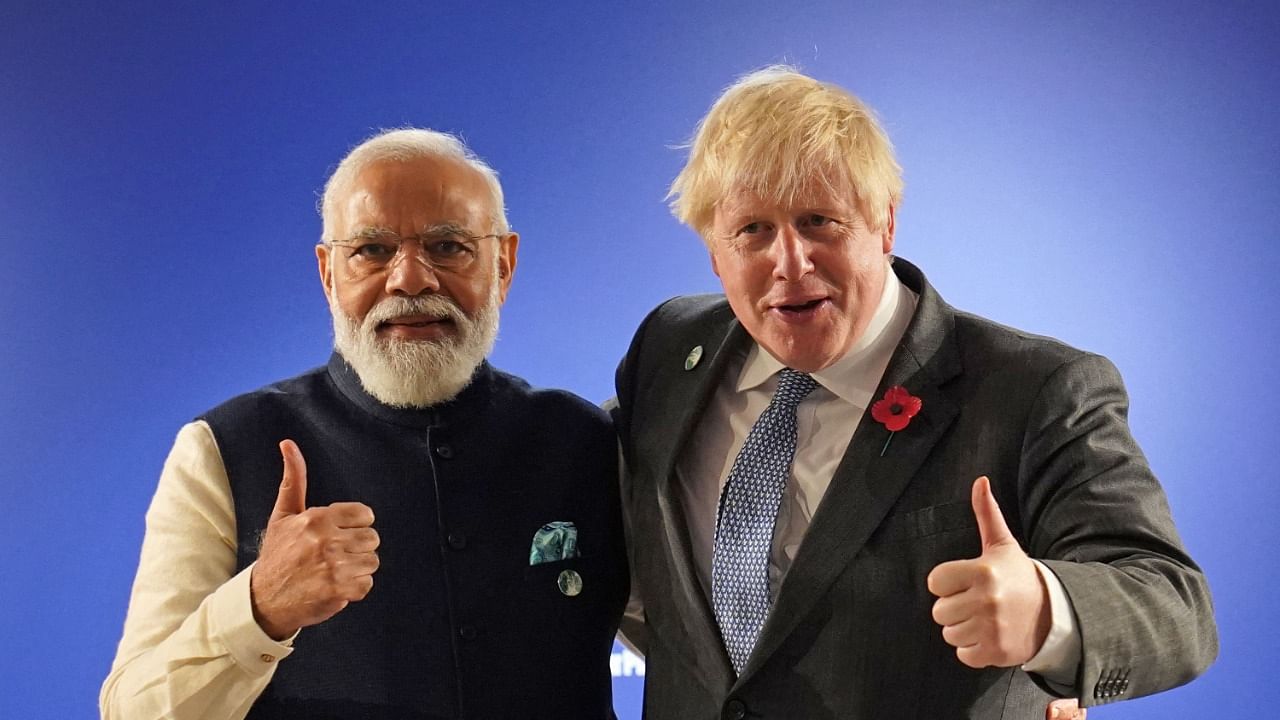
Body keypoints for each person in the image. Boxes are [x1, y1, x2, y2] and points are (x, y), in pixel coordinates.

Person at [611, 67, 1216, 719]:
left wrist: (1048, 612)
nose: (790, 262)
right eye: (752, 231)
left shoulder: (1036, 391)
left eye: (819, 221)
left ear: (885, 223)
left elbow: (1175, 607)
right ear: (713, 250)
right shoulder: (670, 351)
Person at [101, 128, 627, 720]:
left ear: (503, 264)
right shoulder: (220, 451)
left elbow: (697, 649)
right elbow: (133, 709)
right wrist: (259, 608)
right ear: (328, 273)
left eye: (449, 246)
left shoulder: (588, 443)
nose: (410, 279)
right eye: (371, 250)